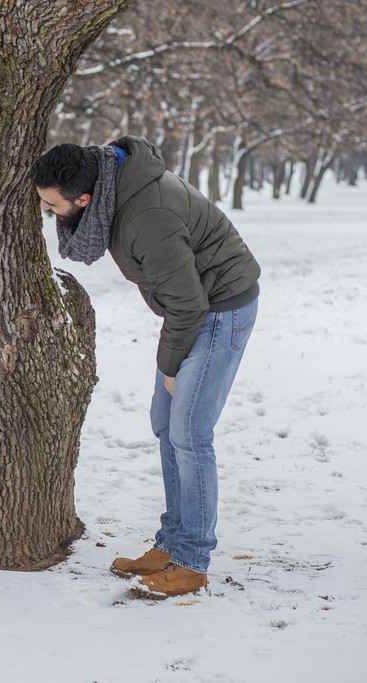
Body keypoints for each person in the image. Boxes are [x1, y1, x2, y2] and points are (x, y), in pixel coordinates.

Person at [31, 136, 260, 598]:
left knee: (190, 434)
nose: (46, 211)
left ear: (84, 199)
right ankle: (172, 542)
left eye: (52, 205)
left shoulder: (144, 217)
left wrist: (171, 365)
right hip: (192, 306)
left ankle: (192, 562)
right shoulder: (114, 187)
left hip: (218, 309)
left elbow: (188, 304)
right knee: (165, 424)